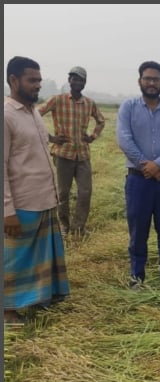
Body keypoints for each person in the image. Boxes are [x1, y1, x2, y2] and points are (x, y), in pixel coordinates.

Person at [3, 56, 70, 324]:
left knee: (38, 256)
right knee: (15, 260)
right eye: (32, 80)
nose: (37, 86)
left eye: (40, 81)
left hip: (43, 199)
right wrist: (7, 211)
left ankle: (36, 299)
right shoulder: (6, 115)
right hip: (20, 204)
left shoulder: (33, 113)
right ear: (13, 80)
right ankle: (7, 312)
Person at [116, 60, 160, 290]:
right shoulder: (128, 107)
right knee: (138, 230)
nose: (152, 83)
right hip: (138, 179)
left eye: (156, 79)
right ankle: (137, 277)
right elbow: (124, 139)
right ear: (140, 81)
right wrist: (147, 165)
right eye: (148, 78)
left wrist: (159, 165)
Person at [38, 65, 106, 238]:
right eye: (74, 78)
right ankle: (64, 225)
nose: (77, 82)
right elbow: (35, 115)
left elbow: (100, 121)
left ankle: (78, 228)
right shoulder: (58, 100)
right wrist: (51, 138)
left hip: (82, 155)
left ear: (84, 83)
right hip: (63, 154)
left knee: (85, 191)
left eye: (81, 79)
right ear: (69, 81)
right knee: (63, 193)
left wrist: (92, 136)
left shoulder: (89, 103)